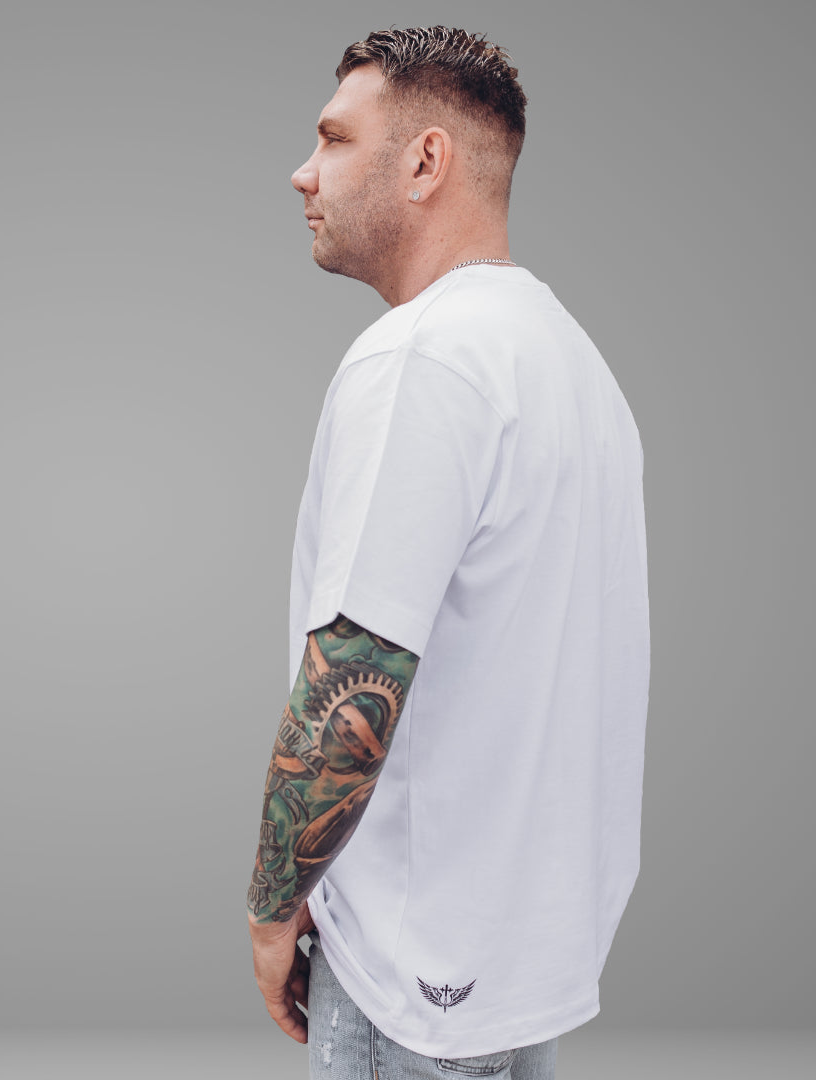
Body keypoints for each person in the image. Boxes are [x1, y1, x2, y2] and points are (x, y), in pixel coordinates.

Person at [246, 26, 650, 1079]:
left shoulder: (420, 359)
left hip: (410, 977)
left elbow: (352, 681)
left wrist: (273, 907)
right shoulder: (573, 365)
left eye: (336, 138)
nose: (303, 172)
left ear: (426, 161)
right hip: (518, 969)